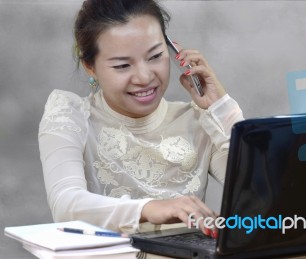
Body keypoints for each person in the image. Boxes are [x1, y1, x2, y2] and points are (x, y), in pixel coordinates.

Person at [38, 0, 243, 237]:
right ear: (90, 67)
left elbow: (265, 190)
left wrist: (221, 107)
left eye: (155, 56)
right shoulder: (70, 115)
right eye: (123, 65)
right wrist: (148, 208)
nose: (144, 77)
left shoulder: (199, 121)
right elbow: (66, 204)